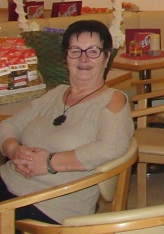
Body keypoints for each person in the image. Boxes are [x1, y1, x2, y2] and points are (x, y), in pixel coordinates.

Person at [0, 20, 133, 225]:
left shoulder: (113, 99)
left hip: (48, 203)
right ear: (66, 57)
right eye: (75, 51)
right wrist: (14, 150)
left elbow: (112, 146)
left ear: (106, 57)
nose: (83, 58)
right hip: (8, 181)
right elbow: (9, 126)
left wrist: (49, 162)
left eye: (93, 51)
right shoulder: (56, 93)